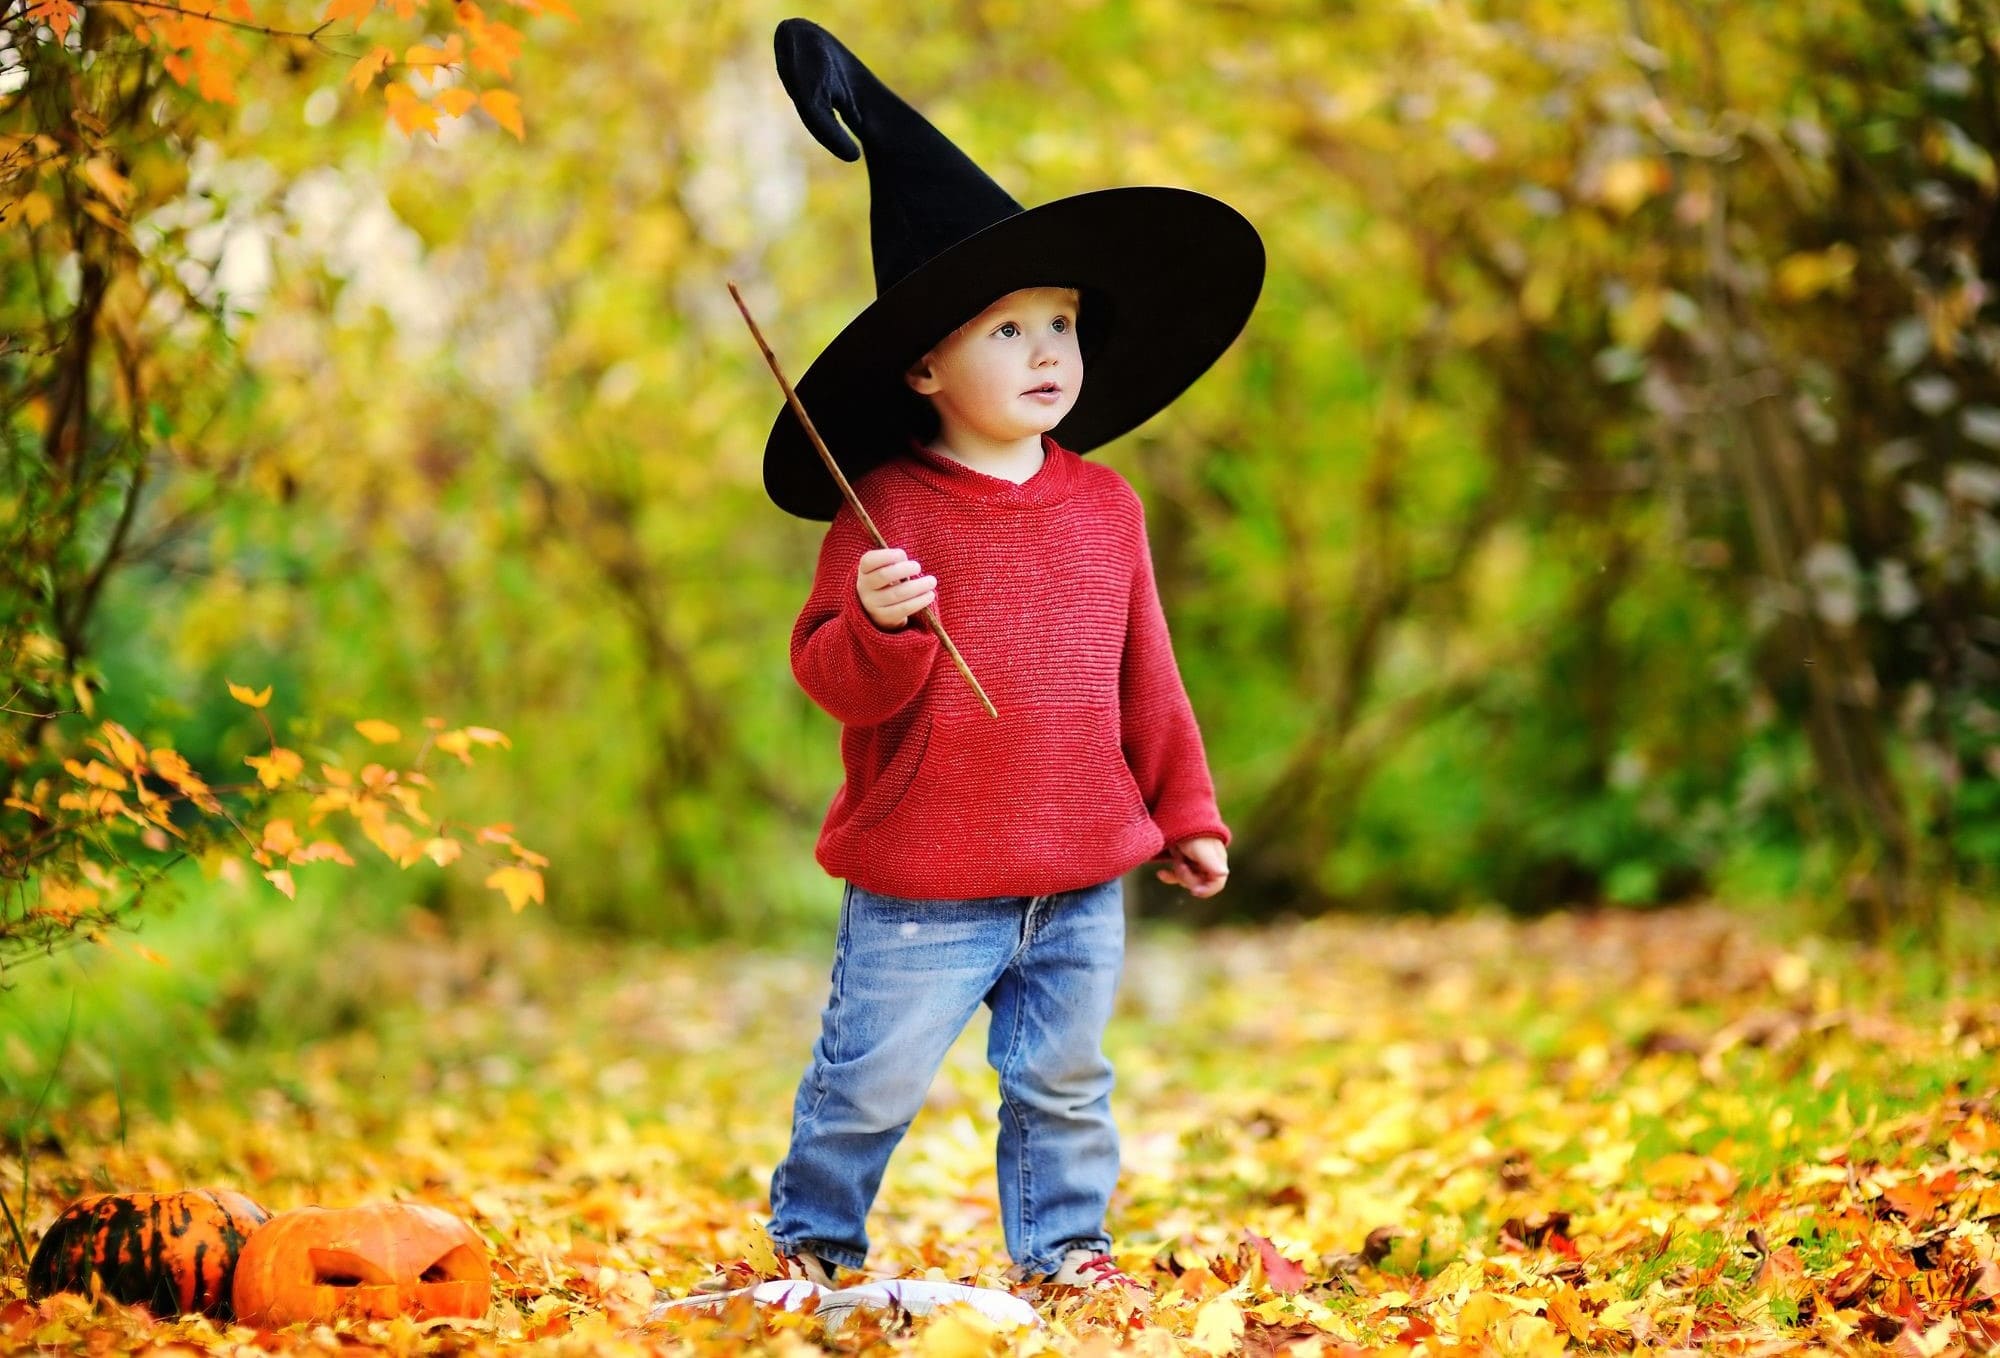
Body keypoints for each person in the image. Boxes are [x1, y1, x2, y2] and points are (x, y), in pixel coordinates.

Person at [719, 16, 1264, 1299]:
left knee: (1065, 1077)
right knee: (869, 1073)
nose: (1047, 355)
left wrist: (1182, 807)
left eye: (1060, 325)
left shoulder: (1105, 508)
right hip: (924, 875)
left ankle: (1066, 1246)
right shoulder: (886, 508)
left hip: (1081, 868)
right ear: (923, 366)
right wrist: (882, 626)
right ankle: (814, 1239)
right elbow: (831, 676)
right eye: (1007, 330)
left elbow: (1148, 676)